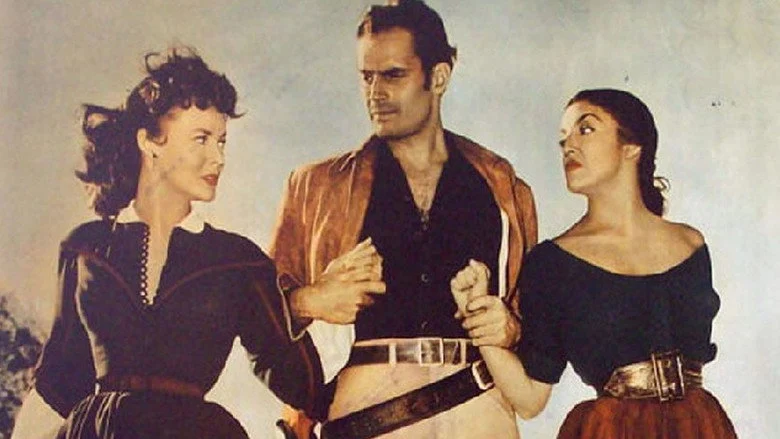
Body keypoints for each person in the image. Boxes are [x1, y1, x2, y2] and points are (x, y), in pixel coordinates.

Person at [11, 48, 320, 439]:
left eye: (222, 142)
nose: (218, 158)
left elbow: (303, 387)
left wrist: (302, 305)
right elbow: (60, 379)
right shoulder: (85, 248)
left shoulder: (238, 261)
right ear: (150, 142)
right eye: (201, 139)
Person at [267, 1, 537, 437]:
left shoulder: (501, 186)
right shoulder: (314, 187)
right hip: (368, 411)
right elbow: (256, 318)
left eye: (393, 75)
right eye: (366, 77)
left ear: (439, 77)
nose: (375, 93)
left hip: (479, 407)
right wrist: (310, 300)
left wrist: (510, 329)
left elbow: (536, 324)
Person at [451, 88, 737, 438]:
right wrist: (478, 318)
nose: (569, 146)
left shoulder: (692, 245)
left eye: (585, 129)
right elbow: (530, 399)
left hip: (698, 428)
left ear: (632, 146)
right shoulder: (551, 264)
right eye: (563, 139)